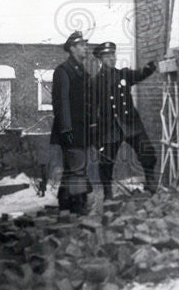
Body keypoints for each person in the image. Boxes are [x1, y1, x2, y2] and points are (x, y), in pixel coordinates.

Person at [91, 41, 160, 198]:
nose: (112, 58)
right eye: (108, 56)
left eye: (113, 55)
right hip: (110, 128)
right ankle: (108, 193)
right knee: (106, 161)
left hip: (130, 124)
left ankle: (150, 182)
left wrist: (150, 67)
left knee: (147, 151)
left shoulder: (123, 74)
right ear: (100, 59)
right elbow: (91, 109)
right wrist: (95, 134)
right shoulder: (95, 81)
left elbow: (139, 74)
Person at [50, 30, 95, 215]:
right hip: (71, 129)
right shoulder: (63, 71)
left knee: (72, 169)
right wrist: (68, 131)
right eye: (83, 45)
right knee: (77, 169)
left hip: (81, 128)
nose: (86, 48)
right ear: (73, 48)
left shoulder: (81, 71)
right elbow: (62, 103)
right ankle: (78, 206)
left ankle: (65, 203)